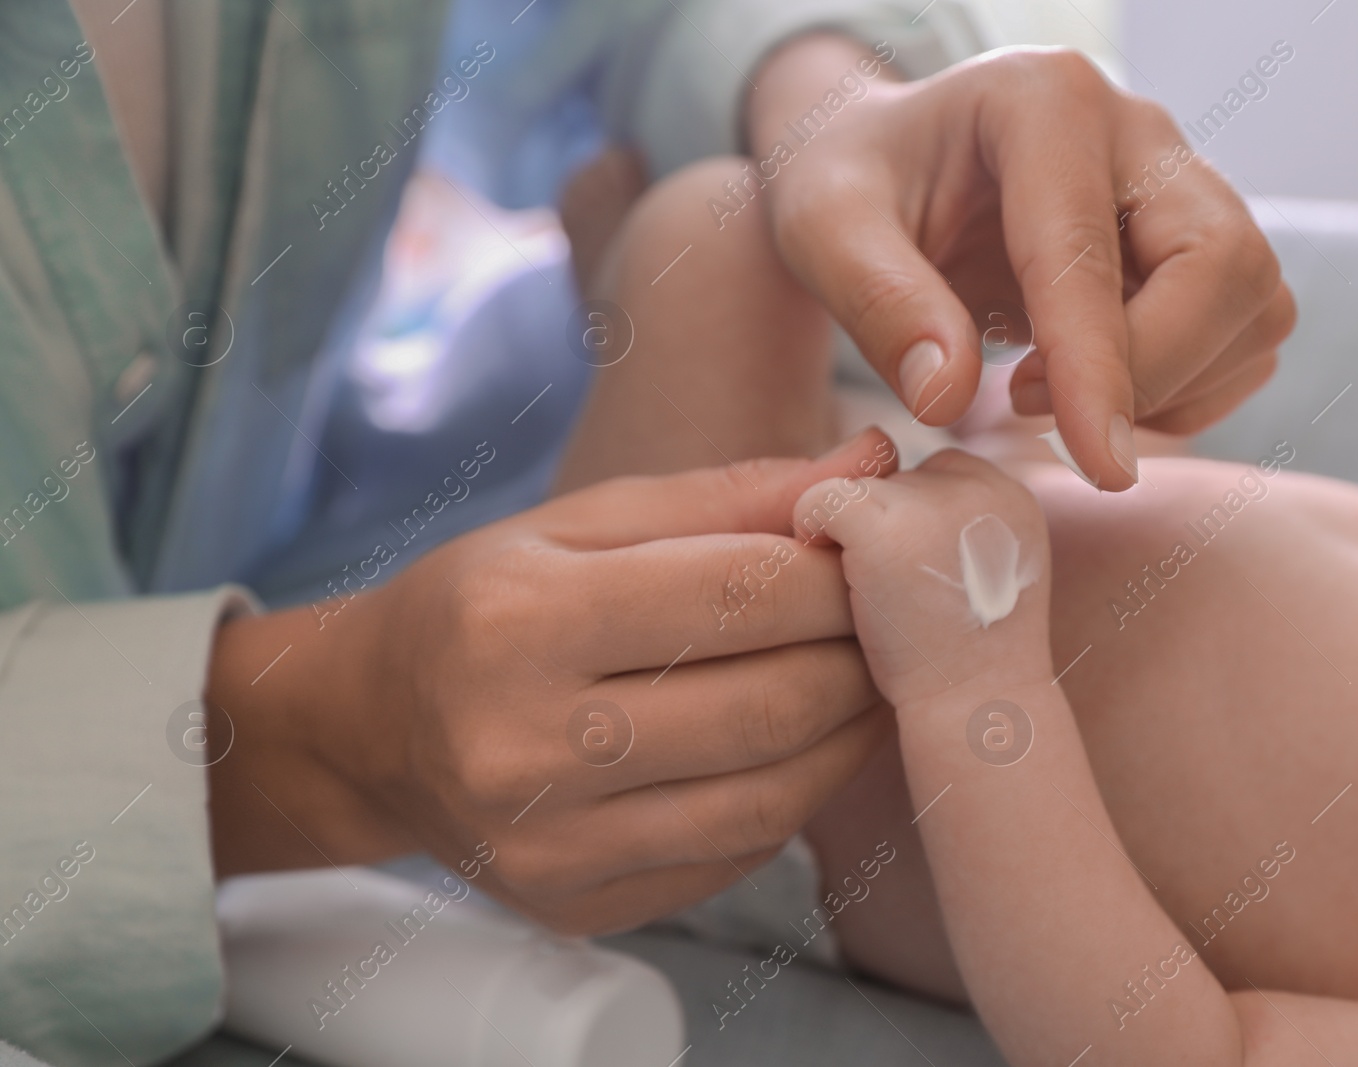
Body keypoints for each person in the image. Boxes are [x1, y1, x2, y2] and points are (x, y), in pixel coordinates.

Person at [0, 0, 1287, 1063]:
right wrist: (978, 690)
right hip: (785, 720)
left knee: (731, 230)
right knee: (716, 239)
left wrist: (831, 100)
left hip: (795, 603)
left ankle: (645, 278)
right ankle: (640, 281)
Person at [549, 148, 1358, 1064]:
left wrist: (976, 685)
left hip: (782, 738)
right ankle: (711, 368)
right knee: (809, 227)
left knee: (710, 229)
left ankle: (640, 338)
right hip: (985, 504)